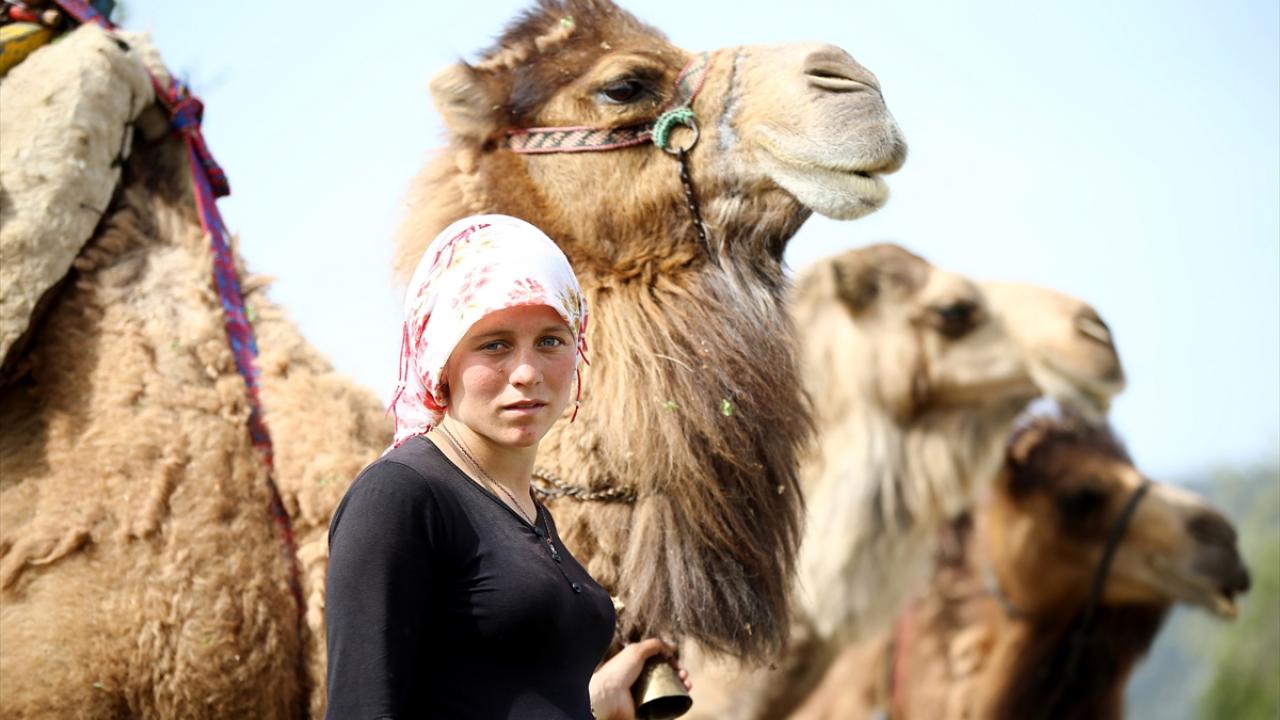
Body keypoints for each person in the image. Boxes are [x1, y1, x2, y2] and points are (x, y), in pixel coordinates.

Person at [325, 215, 690, 719]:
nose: (526, 372)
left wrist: (598, 703)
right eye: (494, 344)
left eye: (550, 340)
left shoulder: (526, 509)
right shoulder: (400, 495)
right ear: (440, 358)